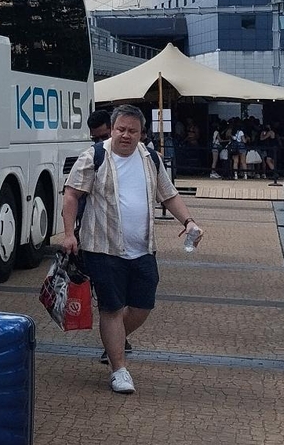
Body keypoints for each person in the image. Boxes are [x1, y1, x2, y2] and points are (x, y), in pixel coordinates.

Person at [61, 105, 204, 395]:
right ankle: (119, 369)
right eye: (121, 129)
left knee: (143, 304)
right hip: (102, 247)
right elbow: (71, 194)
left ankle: (113, 342)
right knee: (111, 307)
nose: (126, 135)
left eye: (132, 131)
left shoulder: (150, 157)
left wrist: (188, 222)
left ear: (141, 133)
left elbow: (169, 194)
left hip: (143, 248)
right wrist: (67, 235)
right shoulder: (94, 156)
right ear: (112, 129)